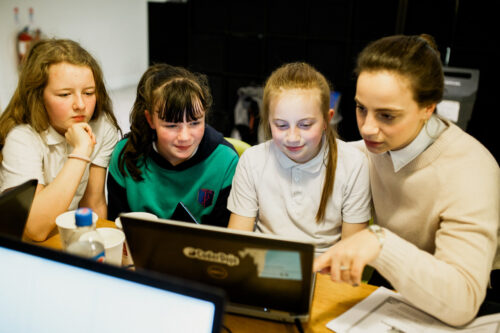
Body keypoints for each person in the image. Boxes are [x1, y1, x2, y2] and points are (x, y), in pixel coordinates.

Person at [314, 34, 499, 326]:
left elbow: (464, 300)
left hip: (463, 306)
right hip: (394, 293)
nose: (368, 128)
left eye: (387, 115)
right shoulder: (371, 149)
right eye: (361, 108)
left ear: (429, 108)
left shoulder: (471, 170)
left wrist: (380, 243)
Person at [227, 62, 371, 254]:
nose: (293, 137)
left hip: (326, 272)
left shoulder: (353, 164)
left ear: (327, 120)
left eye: (305, 125)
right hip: (262, 266)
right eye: (281, 125)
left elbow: (351, 253)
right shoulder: (252, 160)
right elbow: (237, 243)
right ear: (268, 121)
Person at [0, 39, 121, 242]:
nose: (81, 105)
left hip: (62, 232)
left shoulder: (101, 127)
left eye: (89, 93)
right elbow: (35, 228)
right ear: (38, 97)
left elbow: (93, 201)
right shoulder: (21, 137)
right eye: (65, 94)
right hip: (19, 241)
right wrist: (81, 151)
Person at [107, 64, 239, 227]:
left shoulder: (225, 161)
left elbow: (225, 238)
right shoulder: (125, 154)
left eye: (195, 123)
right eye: (171, 125)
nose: (184, 137)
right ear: (150, 120)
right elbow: (115, 226)